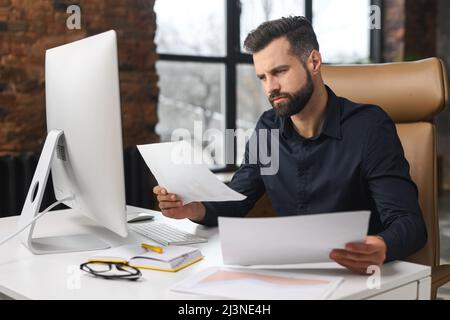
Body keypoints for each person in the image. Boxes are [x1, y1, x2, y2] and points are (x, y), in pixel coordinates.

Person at [153, 16, 427, 275]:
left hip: (356, 273)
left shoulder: (369, 127)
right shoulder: (268, 127)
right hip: (293, 273)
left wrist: (381, 245)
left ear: (314, 62)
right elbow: (236, 201)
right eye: (262, 77)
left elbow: (409, 223)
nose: (270, 87)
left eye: (280, 71)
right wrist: (193, 208)